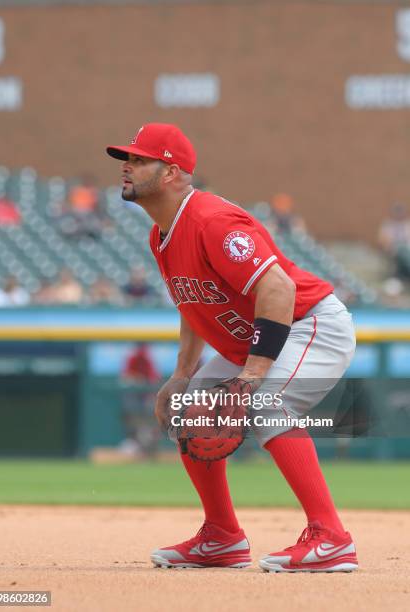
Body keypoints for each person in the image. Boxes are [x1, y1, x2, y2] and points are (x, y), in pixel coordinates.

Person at [106, 123, 358, 573]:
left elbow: (277, 290)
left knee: (265, 402)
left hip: (310, 322)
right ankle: (221, 537)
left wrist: (252, 375)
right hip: (261, 337)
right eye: (129, 157)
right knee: (189, 407)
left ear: (171, 173)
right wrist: (182, 373)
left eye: (140, 159)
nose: (127, 166)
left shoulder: (211, 220)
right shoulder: (161, 233)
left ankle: (331, 537)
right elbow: (194, 301)